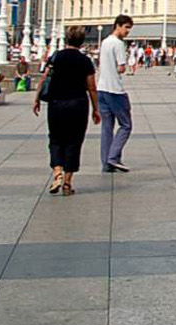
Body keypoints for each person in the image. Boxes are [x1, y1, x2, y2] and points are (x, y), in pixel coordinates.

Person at [35, 26, 100, 196]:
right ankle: (67, 183)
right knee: (74, 141)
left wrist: (36, 99)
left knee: (55, 138)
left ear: (66, 39)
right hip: (78, 104)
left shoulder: (56, 56)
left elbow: (44, 78)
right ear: (82, 41)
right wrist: (96, 109)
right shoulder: (85, 61)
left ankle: (57, 172)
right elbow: (92, 87)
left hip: (56, 103)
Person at [98, 15, 135, 173]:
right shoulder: (119, 44)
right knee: (126, 125)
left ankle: (106, 163)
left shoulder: (105, 42)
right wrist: (122, 67)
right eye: (126, 27)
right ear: (118, 26)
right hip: (115, 90)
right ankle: (113, 157)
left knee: (107, 127)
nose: (127, 31)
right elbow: (121, 67)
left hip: (102, 88)